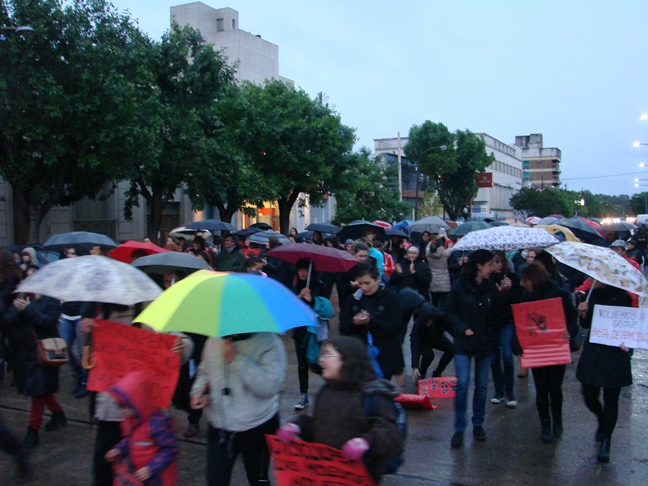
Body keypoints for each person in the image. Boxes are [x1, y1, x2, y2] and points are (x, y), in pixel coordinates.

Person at [277, 336, 403, 483]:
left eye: (328, 354)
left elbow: (391, 435)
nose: (321, 360)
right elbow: (323, 428)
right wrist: (299, 426)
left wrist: (366, 442)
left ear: (347, 360)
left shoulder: (373, 396)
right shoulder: (327, 390)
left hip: (359, 478)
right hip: (326, 476)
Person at [190, 332, 286, 486]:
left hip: (257, 427)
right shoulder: (213, 341)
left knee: (258, 481)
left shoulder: (269, 342)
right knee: (215, 481)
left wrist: (237, 360)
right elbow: (204, 373)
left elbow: (271, 386)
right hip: (219, 428)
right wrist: (200, 392)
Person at [444, 249, 503, 447]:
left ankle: (478, 423)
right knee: (462, 384)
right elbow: (448, 312)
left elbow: (499, 314)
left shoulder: (491, 287)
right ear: (479, 265)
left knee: (482, 385)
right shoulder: (460, 286)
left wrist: (505, 292)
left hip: (485, 342)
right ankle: (459, 428)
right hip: (464, 341)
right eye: (489, 265)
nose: (492, 268)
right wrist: (463, 328)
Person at [4, 264, 66, 450]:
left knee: (38, 392)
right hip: (25, 353)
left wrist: (28, 310)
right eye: (27, 277)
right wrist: (18, 308)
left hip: (44, 350)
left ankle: (32, 431)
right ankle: (58, 413)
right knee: (41, 388)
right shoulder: (21, 297)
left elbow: (48, 321)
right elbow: (8, 321)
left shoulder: (51, 299)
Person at [519, 264, 578, 444]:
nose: (522, 284)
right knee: (541, 389)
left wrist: (568, 331)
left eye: (525, 280)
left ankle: (557, 419)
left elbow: (571, 316)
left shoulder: (559, 293)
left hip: (556, 347)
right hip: (536, 348)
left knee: (555, 387)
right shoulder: (526, 296)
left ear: (534, 279)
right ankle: (545, 424)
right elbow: (521, 321)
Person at [576, 281, 633, 462]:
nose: (593, 281)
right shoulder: (593, 295)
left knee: (611, 398)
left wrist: (628, 344)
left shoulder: (623, 297)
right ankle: (601, 418)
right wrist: (583, 314)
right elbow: (587, 325)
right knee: (589, 394)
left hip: (614, 354)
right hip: (594, 352)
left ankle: (606, 440)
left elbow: (628, 324)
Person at [105, 371, 178, 484]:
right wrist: (119, 450)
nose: (122, 411)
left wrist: (151, 468)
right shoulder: (132, 420)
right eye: (119, 406)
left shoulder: (158, 423)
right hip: (141, 476)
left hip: (159, 478)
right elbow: (130, 440)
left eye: (125, 406)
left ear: (138, 402)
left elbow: (170, 449)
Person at [340, 263, 404, 383]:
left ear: (377, 279)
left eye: (367, 283)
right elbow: (343, 328)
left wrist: (371, 322)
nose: (363, 288)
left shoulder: (390, 298)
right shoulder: (354, 299)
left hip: (384, 356)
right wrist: (355, 322)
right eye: (360, 284)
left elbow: (395, 328)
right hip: (359, 357)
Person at [489, 251, 522, 407]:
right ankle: (499, 391)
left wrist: (508, 290)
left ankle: (510, 392)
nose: (499, 265)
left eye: (501, 261)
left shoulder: (513, 278)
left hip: (507, 321)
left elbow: (517, 302)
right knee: (494, 357)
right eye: (495, 262)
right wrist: (498, 292)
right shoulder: (487, 280)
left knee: (507, 356)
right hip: (492, 322)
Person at [291, 259, 325, 409]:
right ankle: (303, 395)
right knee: (302, 365)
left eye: (305, 270)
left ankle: (332, 382)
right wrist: (298, 298)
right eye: (300, 270)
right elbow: (290, 309)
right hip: (299, 331)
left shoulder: (319, 286)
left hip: (314, 331)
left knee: (314, 362)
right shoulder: (295, 287)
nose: (303, 273)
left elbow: (325, 309)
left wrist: (312, 300)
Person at [410, 301, 454, 382]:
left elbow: (451, 327)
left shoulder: (440, 318)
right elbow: (415, 345)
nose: (427, 324)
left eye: (428, 322)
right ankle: (422, 372)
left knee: (451, 349)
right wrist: (415, 366)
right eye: (425, 322)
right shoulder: (418, 325)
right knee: (429, 355)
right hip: (423, 341)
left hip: (437, 337)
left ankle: (438, 372)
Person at [426, 233, 454, 308]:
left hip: (433, 281)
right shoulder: (444, 254)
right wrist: (446, 237)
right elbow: (451, 246)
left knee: (434, 303)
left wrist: (435, 239)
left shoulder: (428, 253)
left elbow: (428, 246)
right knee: (443, 304)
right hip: (444, 283)